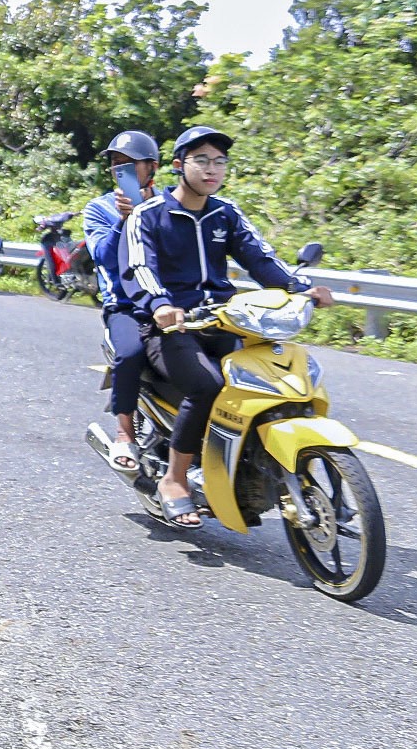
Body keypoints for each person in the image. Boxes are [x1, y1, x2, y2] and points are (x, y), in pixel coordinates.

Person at [121, 126, 334, 528]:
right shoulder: (149, 216)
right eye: (202, 160)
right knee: (207, 385)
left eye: (219, 161)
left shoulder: (226, 213)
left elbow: (262, 260)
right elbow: (139, 268)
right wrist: (162, 304)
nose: (212, 169)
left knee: (268, 376)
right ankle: (174, 479)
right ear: (179, 165)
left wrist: (301, 287)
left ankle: (247, 464)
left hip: (225, 318)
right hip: (171, 328)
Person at [82, 130, 160, 473]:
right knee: (130, 353)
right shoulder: (99, 209)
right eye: (115, 164)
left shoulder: (169, 203)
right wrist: (124, 221)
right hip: (126, 305)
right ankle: (125, 433)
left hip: (170, 302)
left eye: (129, 164)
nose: (120, 170)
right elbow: (103, 256)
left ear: (151, 168)